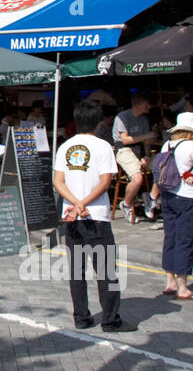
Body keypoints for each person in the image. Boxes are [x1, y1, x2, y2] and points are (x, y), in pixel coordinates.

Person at [53, 101, 135, 332]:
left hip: (72, 215)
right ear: (99, 122)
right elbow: (105, 181)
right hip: (96, 215)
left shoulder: (65, 146)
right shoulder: (103, 147)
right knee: (106, 270)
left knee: (76, 271)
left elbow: (58, 182)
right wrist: (85, 203)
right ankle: (110, 319)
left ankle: (81, 317)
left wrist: (76, 202)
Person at [150, 113, 193, 300]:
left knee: (171, 237)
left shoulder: (167, 145)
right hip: (187, 197)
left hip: (168, 196)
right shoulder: (192, 146)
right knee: (186, 240)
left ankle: (170, 281)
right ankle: (183, 286)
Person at [113, 94, 158, 221]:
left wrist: (147, 155)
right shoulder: (122, 117)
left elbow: (146, 141)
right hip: (123, 149)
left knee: (163, 167)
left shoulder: (144, 119)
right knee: (137, 178)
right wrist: (146, 136)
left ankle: (152, 198)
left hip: (140, 150)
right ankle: (126, 204)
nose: (149, 106)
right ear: (138, 104)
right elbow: (125, 140)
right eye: (146, 104)